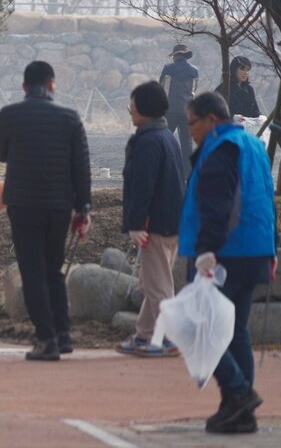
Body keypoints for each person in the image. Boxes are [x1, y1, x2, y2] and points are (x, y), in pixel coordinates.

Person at [181, 91, 276, 435]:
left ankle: (238, 393)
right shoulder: (252, 145)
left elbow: (219, 206)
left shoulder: (220, 150)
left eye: (192, 123)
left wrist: (206, 250)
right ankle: (239, 413)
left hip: (225, 254)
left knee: (199, 328)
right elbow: (265, 197)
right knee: (235, 331)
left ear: (210, 120)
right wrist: (273, 248)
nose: (189, 130)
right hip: (256, 251)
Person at [0, 61, 91, 361]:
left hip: (23, 205)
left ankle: (45, 337)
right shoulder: (70, 118)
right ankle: (62, 334)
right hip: (59, 206)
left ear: (24, 87)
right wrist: (83, 207)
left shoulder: (9, 115)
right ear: (52, 84)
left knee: (32, 273)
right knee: (53, 270)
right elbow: (82, 167)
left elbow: (0, 154)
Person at [116, 80, 185, 357]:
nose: (130, 110)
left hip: (154, 225)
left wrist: (135, 224)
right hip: (172, 223)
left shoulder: (147, 142)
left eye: (132, 105)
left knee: (158, 286)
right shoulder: (167, 136)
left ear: (144, 109)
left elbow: (142, 187)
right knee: (153, 281)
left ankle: (167, 338)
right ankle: (146, 334)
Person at [160, 43, 199, 173]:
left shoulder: (168, 68)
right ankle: (188, 172)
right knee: (187, 142)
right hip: (187, 111)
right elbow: (194, 90)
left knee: (165, 139)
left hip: (169, 110)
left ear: (175, 56)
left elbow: (162, 88)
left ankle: (164, 168)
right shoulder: (194, 71)